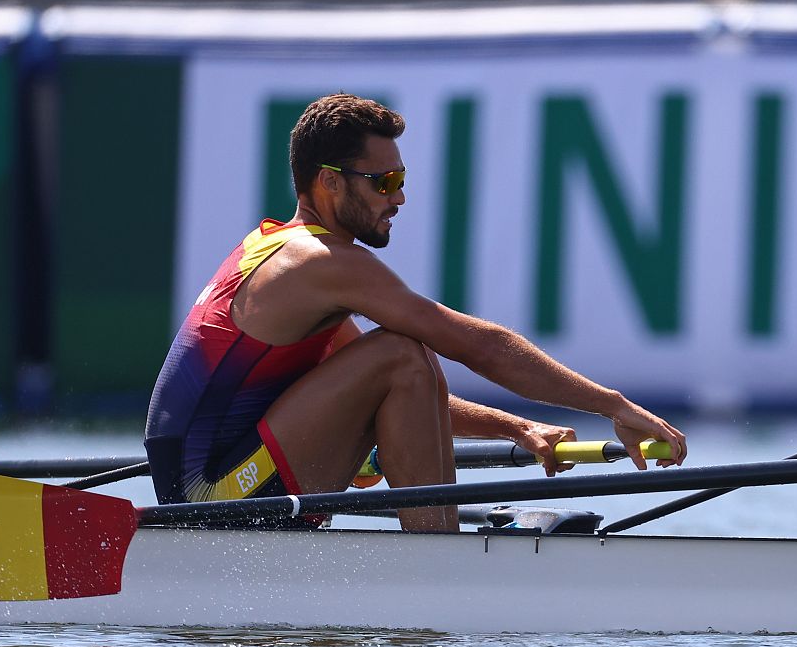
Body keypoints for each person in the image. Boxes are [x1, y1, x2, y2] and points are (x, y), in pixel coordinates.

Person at [145, 93, 686, 531]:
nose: (398, 198)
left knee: (400, 361)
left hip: (207, 479)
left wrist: (517, 427)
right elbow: (475, 345)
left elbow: (411, 398)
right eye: (384, 182)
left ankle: (430, 551)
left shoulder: (280, 250)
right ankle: (438, 566)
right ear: (329, 181)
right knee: (402, 352)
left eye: (400, 180)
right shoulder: (322, 262)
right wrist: (612, 405)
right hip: (208, 497)